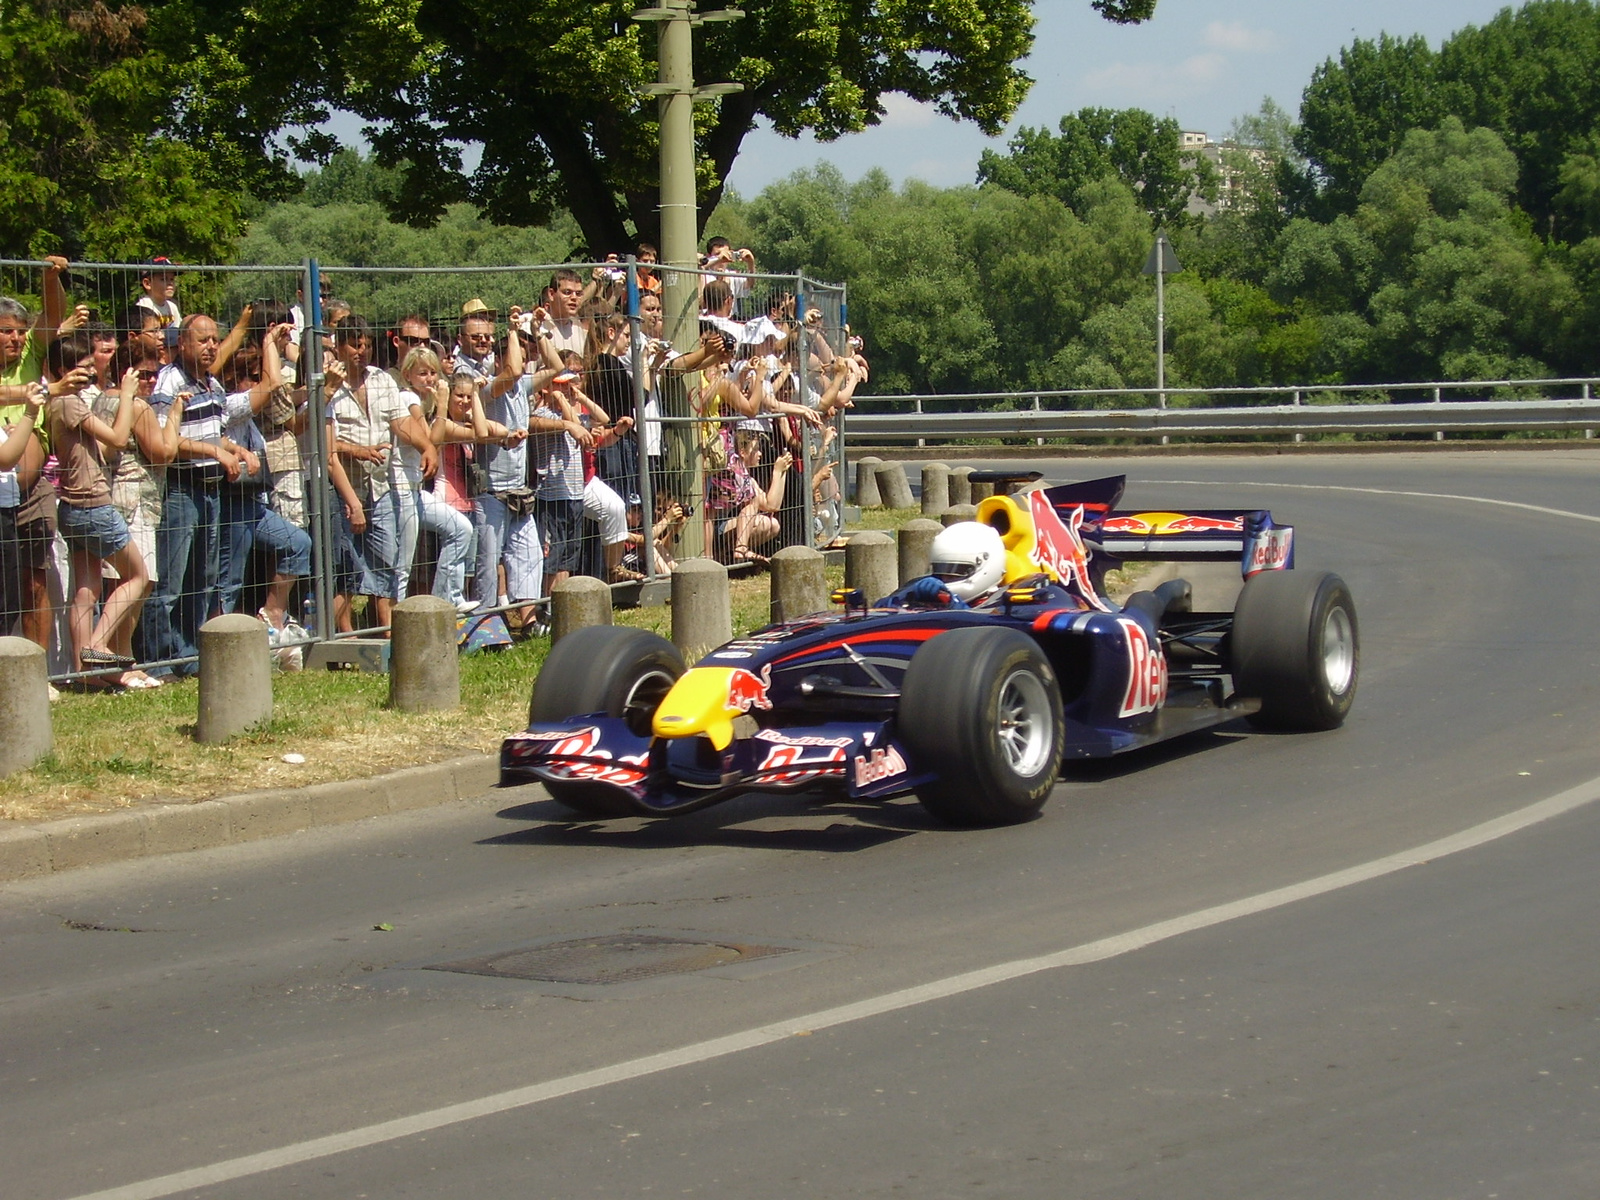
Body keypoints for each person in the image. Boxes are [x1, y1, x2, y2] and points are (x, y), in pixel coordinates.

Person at [45, 334, 149, 687]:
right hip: (93, 505)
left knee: (85, 592)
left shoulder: (56, 404)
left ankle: (83, 672)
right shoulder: (69, 403)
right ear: (62, 370)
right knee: (137, 576)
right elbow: (118, 439)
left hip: (72, 508)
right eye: (84, 367)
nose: (91, 373)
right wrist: (128, 394)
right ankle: (97, 645)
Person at [148, 313, 247, 675]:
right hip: (180, 490)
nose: (210, 347)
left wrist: (234, 449)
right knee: (170, 583)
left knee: (202, 581)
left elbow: (212, 432)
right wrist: (215, 452)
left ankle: (188, 658)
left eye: (215, 341)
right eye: (202, 340)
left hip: (210, 491)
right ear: (182, 344)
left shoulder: (211, 384)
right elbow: (165, 441)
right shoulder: (169, 382)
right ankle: (158, 662)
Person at [216, 327, 312, 659]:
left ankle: (272, 616)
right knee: (229, 577)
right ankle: (223, 648)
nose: (257, 384)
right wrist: (270, 342)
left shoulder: (251, 417)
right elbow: (271, 384)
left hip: (254, 504)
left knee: (298, 543)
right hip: (230, 504)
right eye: (250, 378)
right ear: (235, 379)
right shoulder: (230, 406)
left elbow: (277, 391)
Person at [323, 317, 413, 633]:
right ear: (338, 345)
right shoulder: (327, 386)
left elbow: (400, 421)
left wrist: (427, 445)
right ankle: (345, 636)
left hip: (379, 483)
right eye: (354, 344)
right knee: (344, 566)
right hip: (342, 487)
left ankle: (388, 632)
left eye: (366, 344)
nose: (362, 351)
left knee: (387, 561)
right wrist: (358, 450)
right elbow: (325, 443)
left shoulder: (381, 380)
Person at [396, 346, 478, 613]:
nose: (430, 379)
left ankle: (447, 598)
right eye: (422, 373)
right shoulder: (407, 397)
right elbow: (430, 442)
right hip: (401, 488)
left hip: (417, 490)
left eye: (433, 372)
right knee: (403, 562)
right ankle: (397, 621)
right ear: (408, 374)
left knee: (461, 528)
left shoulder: (424, 403)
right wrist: (443, 404)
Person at [882, 522, 1008, 609]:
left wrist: (952, 604)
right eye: (941, 570)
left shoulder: (1003, 604)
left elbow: (987, 628)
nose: (945, 579)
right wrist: (907, 596)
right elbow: (878, 608)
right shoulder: (924, 586)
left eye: (956, 571)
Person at [135, 257, 181, 329]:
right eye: (163, 279)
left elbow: (179, 331)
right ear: (147, 284)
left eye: (172, 279)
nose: (170, 283)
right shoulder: (143, 307)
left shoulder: (172, 307)